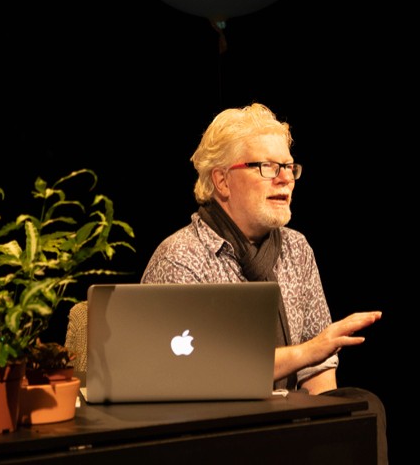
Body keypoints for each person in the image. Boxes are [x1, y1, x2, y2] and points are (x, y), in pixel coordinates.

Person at [141, 103, 388, 464]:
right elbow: (203, 376)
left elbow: (318, 373)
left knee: (364, 406)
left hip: (284, 419)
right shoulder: (182, 258)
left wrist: (328, 428)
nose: (285, 178)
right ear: (222, 180)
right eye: (266, 167)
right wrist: (307, 351)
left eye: (288, 167)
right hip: (208, 429)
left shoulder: (296, 248)